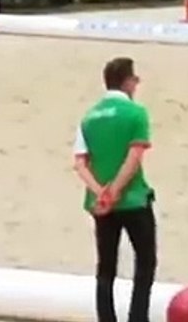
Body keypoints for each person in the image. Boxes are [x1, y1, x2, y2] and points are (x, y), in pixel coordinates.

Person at [73, 57, 157, 322]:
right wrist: (116, 190)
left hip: (99, 203)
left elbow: (80, 163)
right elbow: (133, 157)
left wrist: (100, 192)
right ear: (127, 82)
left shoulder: (88, 118)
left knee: (106, 265)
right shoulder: (136, 113)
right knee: (145, 260)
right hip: (132, 199)